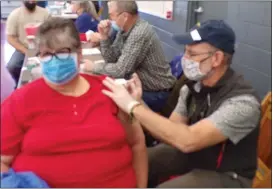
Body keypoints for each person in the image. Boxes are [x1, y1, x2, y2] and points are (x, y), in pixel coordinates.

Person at [101, 20, 261, 188]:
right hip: (197, 154)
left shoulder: (242, 102)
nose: (185, 59)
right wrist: (138, 101)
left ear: (216, 58)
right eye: (185, 52)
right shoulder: (193, 87)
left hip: (227, 174)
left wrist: (132, 107)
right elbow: (170, 130)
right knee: (135, 162)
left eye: (192, 54)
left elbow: (188, 140)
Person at [1, 17, 147, 188]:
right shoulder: (21, 101)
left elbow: (137, 143)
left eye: (62, 51)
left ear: (79, 54)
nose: (54, 60)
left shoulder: (109, 90)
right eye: (46, 54)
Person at [83, 1, 176, 112]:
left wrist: (93, 67)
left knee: (105, 101)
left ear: (125, 16)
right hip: (140, 86)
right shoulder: (124, 29)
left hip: (156, 93)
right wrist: (104, 37)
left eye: (112, 15)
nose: (109, 20)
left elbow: (120, 70)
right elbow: (111, 59)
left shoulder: (139, 33)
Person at [6, 0, 49, 87]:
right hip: (23, 48)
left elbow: (51, 32)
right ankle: (20, 85)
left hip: (42, 47)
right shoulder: (15, 15)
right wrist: (26, 51)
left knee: (49, 66)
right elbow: (10, 38)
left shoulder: (45, 14)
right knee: (12, 66)